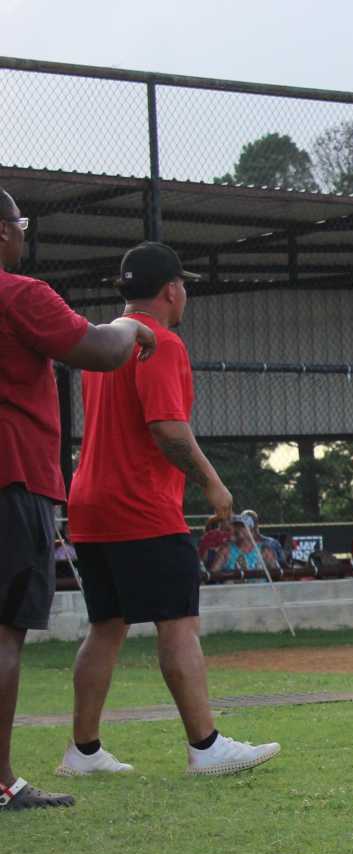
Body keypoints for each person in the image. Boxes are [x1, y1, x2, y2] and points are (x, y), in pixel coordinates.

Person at [61, 241, 281, 779]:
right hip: (141, 507)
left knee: (105, 626)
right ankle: (206, 746)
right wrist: (213, 484)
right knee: (178, 623)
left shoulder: (104, 341)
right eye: (183, 285)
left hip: (89, 506)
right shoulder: (160, 342)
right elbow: (167, 428)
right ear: (171, 290)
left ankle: (82, 752)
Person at [2, 186, 158, 811]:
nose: (24, 232)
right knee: (4, 632)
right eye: (20, 221)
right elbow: (100, 350)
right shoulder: (18, 293)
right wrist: (131, 324)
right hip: (13, 476)